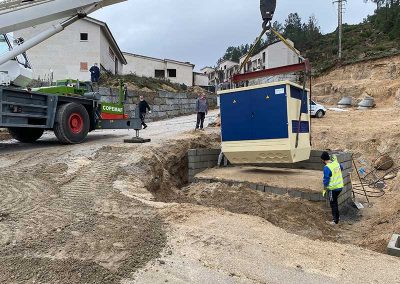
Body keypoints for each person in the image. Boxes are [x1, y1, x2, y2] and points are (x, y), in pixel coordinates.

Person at [321, 151, 344, 225]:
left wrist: (324, 187)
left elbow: (326, 179)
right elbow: (342, 167)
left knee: (333, 203)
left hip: (332, 189)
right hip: (340, 187)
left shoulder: (327, 167)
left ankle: (335, 221)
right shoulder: (336, 163)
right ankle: (337, 217)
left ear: (323, 160)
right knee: (335, 202)